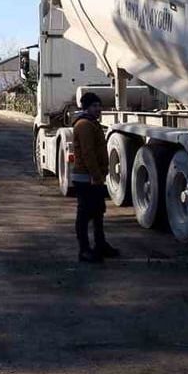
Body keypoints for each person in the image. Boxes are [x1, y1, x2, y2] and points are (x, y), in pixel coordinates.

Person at [71, 92, 119, 263]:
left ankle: (100, 244)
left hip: (92, 176)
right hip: (86, 177)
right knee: (84, 214)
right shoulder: (84, 125)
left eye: (99, 106)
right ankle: (84, 250)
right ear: (86, 108)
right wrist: (96, 176)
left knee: (98, 212)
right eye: (94, 106)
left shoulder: (92, 124)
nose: (98, 109)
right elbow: (88, 153)